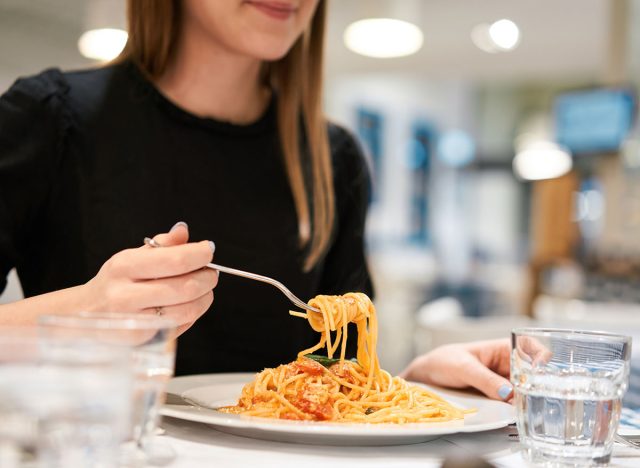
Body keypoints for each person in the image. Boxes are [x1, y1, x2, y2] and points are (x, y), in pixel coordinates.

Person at [0, 0, 513, 401]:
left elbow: (338, 379)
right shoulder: (47, 120)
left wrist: (412, 385)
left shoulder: (333, 160)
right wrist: (83, 314)